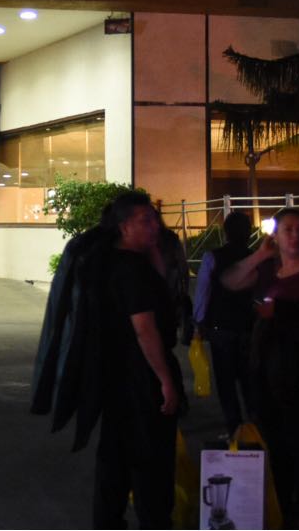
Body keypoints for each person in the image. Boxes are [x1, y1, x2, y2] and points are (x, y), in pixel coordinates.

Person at [220, 208, 299, 529]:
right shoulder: (268, 270)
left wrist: (278, 311)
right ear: (276, 235)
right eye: (288, 230)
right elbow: (230, 280)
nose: (295, 236)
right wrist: (260, 255)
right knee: (276, 443)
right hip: (266, 368)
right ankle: (283, 506)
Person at [93, 192, 183, 529]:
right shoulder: (131, 270)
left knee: (116, 455)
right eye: (145, 221)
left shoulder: (113, 263)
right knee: (150, 459)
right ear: (124, 226)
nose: (154, 227)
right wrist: (165, 379)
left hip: (115, 374)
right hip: (140, 377)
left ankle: (109, 521)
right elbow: (145, 328)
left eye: (155, 219)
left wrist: (154, 252)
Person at [193, 210, 257, 438]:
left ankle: (234, 428)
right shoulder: (255, 258)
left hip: (220, 327)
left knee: (226, 382)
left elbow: (203, 292)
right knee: (250, 380)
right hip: (249, 327)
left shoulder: (213, 257)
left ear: (225, 232)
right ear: (249, 233)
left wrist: (199, 322)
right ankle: (256, 427)